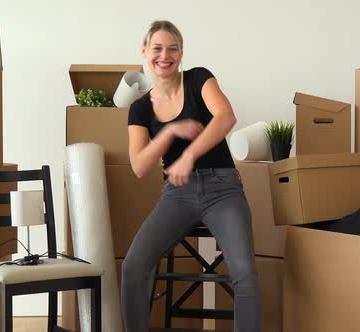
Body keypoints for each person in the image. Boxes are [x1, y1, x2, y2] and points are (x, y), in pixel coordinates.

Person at [121, 20, 262, 332]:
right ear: (144, 52)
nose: (164, 55)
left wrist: (189, 155)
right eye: (157, 48)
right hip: (177, 194)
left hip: (222, 188)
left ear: (181, 52)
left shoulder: (199, 78)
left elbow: (226, 117)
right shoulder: (140, 109)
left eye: (172, 49)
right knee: (133, 266)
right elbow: (140, 165)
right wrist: (170, 131)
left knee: (245, 273)